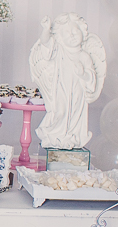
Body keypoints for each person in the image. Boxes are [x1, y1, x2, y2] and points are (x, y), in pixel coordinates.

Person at [29, 14, 106, 151]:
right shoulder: (59, 50)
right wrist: (46, 29)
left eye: (75, 31)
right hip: (60, 90)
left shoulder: (84, 56)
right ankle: (56, 136)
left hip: (78, 93)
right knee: (61, 111)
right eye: (67, 33)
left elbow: (91, 78)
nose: (72, 35)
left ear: (82, 32)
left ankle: (72, 137)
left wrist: (83, 73)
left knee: (75, 115)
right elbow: (45, 43)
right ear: (60, 37)